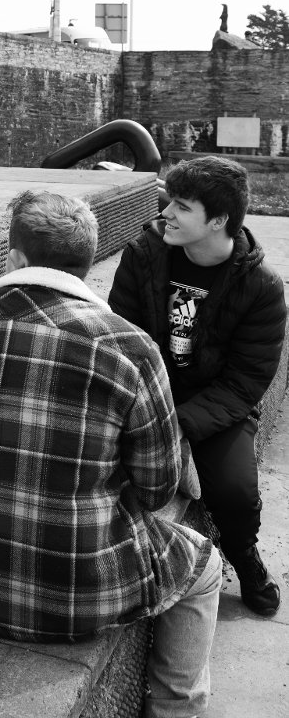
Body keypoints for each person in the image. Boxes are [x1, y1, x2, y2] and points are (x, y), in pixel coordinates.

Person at [0, 190, 222, 718]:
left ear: (14, 260)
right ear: (86, 262)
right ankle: (176, 711)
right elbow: (158, 487)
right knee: (203, 567)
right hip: (79, 598)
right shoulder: (131, 347)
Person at [109, 155, 286, 617]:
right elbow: (121, 339)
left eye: (182, 207)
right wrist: (144, 411)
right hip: (144, 396)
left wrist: (179, 424)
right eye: (170, 202)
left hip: (216, 407)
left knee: (233, 490)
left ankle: (244, 559)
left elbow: (246, 382)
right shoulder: (144, 255)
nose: (165, 213)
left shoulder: (262, 286)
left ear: (219, 221)